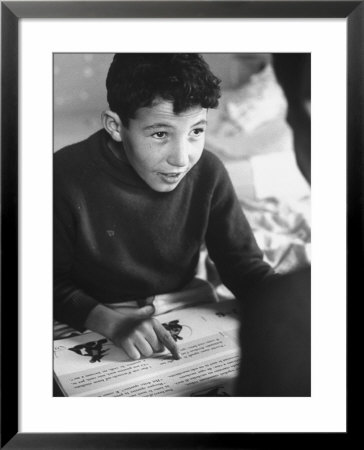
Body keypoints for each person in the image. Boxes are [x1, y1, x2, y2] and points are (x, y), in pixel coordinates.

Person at [54, 53, 274, 362]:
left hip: (181, 301)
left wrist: (291, 303)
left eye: (196, 131)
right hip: (91, 311)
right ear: (115, 126)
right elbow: (44, 282)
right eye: (160, 134)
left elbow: (242, 265)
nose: (182, 159)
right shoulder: (62, 176)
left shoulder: (208, 172)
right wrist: (108, 321)